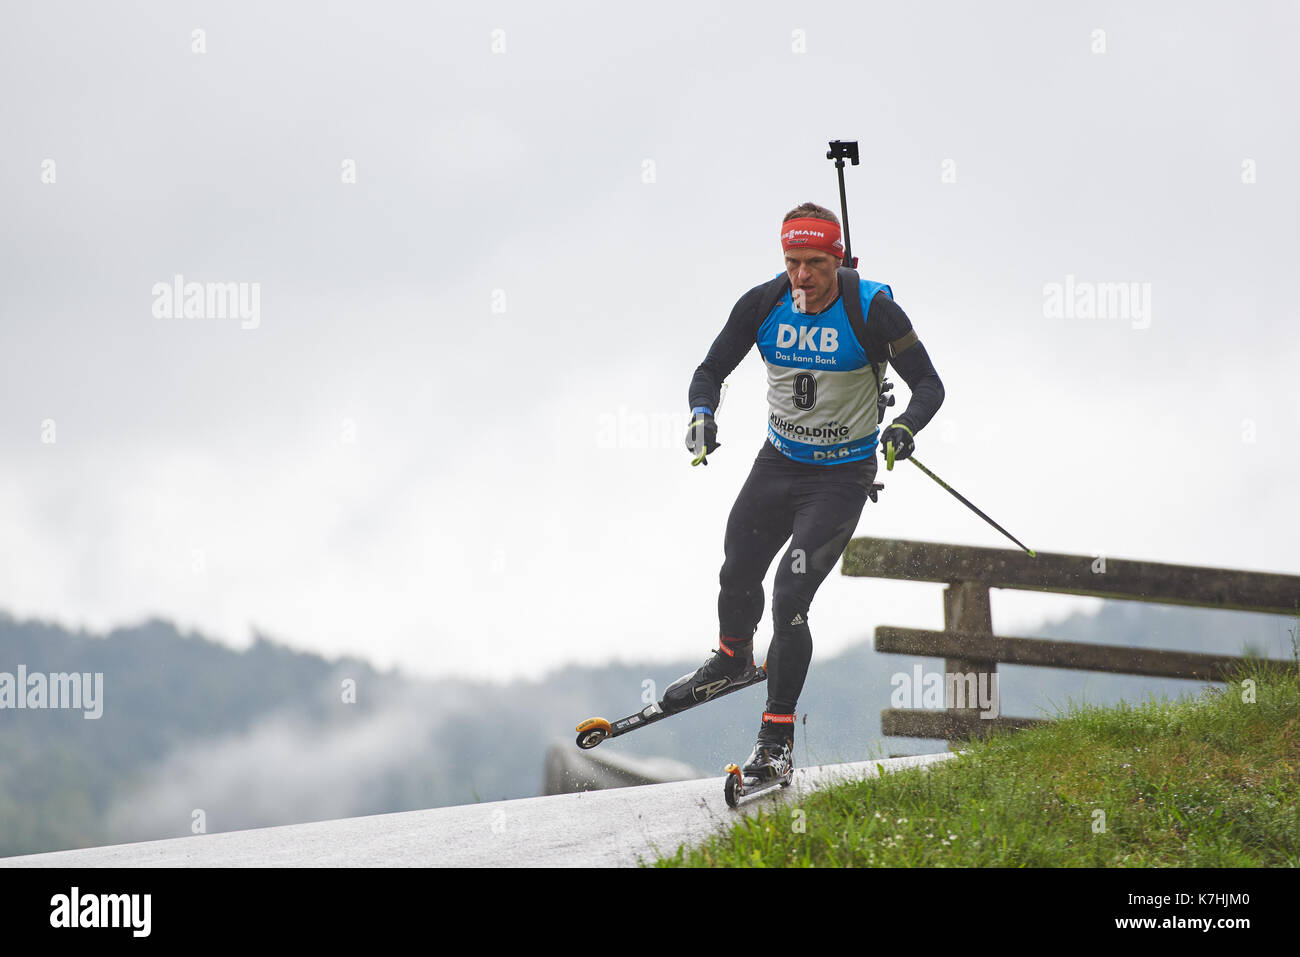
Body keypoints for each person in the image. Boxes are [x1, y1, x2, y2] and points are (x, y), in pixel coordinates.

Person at [662, 201, 945, 780]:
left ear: (836, 259)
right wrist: (701, 414)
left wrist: (903, 427)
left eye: (814, 262)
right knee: (737, 567)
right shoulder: (763, 303)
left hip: (841, 478)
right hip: (778, 464)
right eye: (792, 261)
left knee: (789, 596)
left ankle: (776, 742)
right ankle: (732, 658)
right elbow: (709, 370)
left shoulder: (874, 309)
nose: (802, 277)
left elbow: (930, 386)